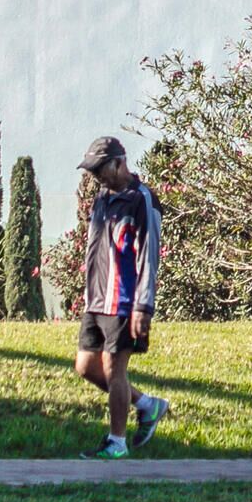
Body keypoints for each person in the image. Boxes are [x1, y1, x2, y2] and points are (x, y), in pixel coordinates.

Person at [72, 134, 169, 459]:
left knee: (115, 370)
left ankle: (117, 442)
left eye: (100, 168)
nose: (96, 176)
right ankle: (146, 404)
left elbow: (149, 255)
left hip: (125, 301)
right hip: (96, 299)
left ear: (119, 162)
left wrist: (144, 305)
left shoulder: (142, 199)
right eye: (92, 170)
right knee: (86, 367)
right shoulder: (103, 197)